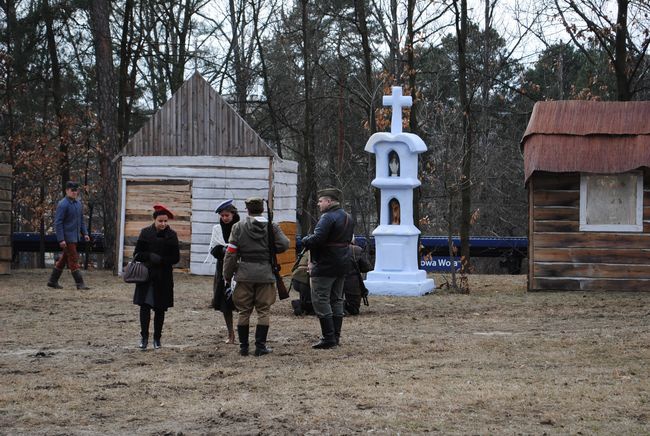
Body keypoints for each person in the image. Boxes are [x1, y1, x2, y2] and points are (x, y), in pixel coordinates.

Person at [223, 197, 289, 357]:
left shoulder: (238, 227)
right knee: (263, 311)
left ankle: (244, 347)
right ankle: (260, 347)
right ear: (262, 209)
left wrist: (227, 274)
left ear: (247, 210)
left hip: (244, 274)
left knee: (244, 311)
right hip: (265, 273)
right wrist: (270, 250)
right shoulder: (271, 226)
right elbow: (285, 244)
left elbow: (230, 254)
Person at [300, 187, 354, 349]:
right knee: (337, 299)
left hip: (325, 264)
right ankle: (335, 337)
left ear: (329, 201)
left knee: (320, 299)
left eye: (321, 200)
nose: (318, 204)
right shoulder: (348, 217)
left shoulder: (327, 217)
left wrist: (305, 240)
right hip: (342, 263)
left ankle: (328, 338)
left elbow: (317, 239)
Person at [132, 203, 180, 350]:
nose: (163, 224)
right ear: (154, 220)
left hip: (163, 277)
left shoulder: (172, 235)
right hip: (146, 276)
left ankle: (157, 339)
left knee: (160, 309)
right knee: (144, 307)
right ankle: (144, 337)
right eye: (160, 221)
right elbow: (137, 254)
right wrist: (149, 256)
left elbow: (176, 258)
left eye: (165, 221)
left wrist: (162, 260)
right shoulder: (145, 233)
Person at [47, 181, 91, 290]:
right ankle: (80, 283)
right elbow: (58, 223)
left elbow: (81, 221)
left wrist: (85, 233)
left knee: (64, 259)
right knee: (73, 259)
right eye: (72, 190)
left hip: (75, 237)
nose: (75, 192)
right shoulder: (63, 204)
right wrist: (61, 239)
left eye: (76, 190)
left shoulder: (78, 204)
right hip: (67, 238)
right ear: (67, 191)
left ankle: (52, 281)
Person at [208, 199, 240, 344]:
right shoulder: (217, 229)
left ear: (233, 214)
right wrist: (222, 250)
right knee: (225, 304)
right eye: (222, 216)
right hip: (223, 268)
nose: (224, 218)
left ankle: (243, 332)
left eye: (227, 215)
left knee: (241, 301)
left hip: (240, 267)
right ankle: (230, 333)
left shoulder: (240, 227)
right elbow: (213, 248)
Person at [343, 239, 372, 315]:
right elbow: (366, 267)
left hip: (334, 286)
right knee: (353, 310)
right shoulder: (357, 249)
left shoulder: (332, 249)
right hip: (353, 287)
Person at [290, 249, 315, 316]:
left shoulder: (306, 250)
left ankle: (302, 304)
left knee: (306, 297)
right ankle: (302, 305)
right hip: (307, 280)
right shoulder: (318, 250)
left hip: (297, 278)